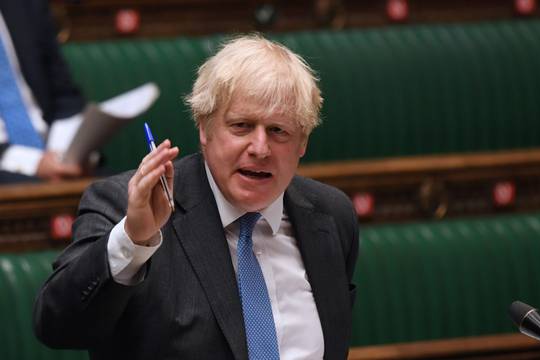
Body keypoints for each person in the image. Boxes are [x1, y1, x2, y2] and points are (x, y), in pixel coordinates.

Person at [33, 35, 359, 359]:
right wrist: (133, 240)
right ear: (204, 128)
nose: (260, 148)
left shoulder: (330, 216)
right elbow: (58, 327)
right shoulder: (124, 207)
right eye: (241, 126)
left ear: (302, 142)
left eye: (279, 131)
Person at [0, 0, 86, 183]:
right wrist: (32, 163)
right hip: (6, 166)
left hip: (54, 150)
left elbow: (66, 97)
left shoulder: (24, 5)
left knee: (122, 191)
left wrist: (62, 154)